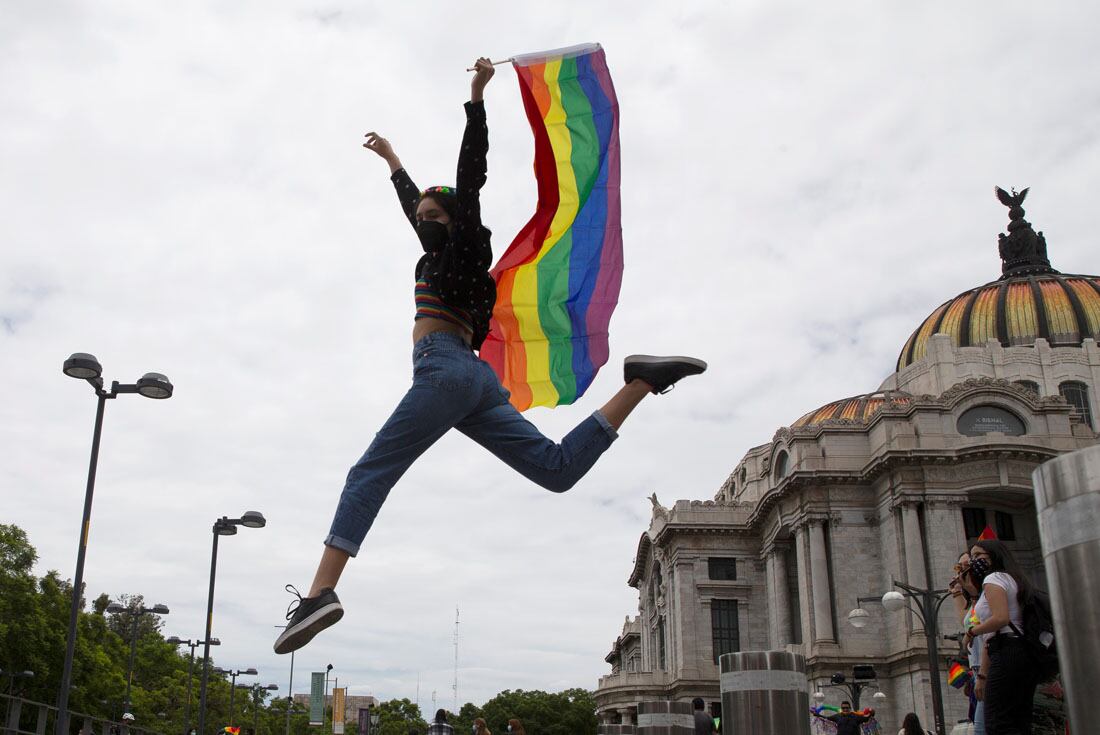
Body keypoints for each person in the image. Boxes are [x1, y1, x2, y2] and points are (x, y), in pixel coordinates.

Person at [273, 57, 707, 655]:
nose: (422, 223)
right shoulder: (440, 253)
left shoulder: (464, 249)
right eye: (420, 218)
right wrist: (396, 163)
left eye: (433, 217)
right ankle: (638, 383)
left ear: (454, 222)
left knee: (368, 471)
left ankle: (322, 593)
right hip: (472, 382)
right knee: (555, 471)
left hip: (447, 371)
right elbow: (415, 207)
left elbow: (468, 177)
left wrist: (476, 98)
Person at [965, 539, 1038, 735]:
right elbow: (994, 636)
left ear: (994, 556)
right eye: (972, 557)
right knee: (1018, 721)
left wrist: (972, 632)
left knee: (998, 723)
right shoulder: (1013, 579)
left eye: (978, 556)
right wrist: (982, 674)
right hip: (1020, 652)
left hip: (1006, 652)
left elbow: (1000, 619)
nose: (973, 562)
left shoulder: (994, 579)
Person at [950, 551, 985, 735]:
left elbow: (989, 638)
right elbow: (967, 621)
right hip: (977, 672)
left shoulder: (989, 593)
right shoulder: (975, 599)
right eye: (960, 567)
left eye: (967, 565)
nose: (963, 571)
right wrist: (957, 592)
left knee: (981, 728)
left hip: (986, 671)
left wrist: (982, 676)